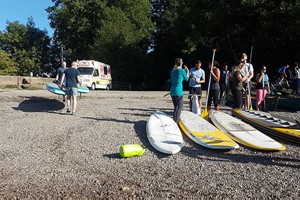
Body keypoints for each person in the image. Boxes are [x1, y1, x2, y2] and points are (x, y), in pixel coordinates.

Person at [170, 58, 189, 123]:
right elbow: (186, 79)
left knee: (176, 107)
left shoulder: (172, 71)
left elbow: (172, 81)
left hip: (172, 90)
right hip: (178, 91)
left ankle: (174, 121)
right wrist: (187, 71)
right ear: (181, 63)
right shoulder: (182, 70)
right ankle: (176, 122)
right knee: (180, 107)